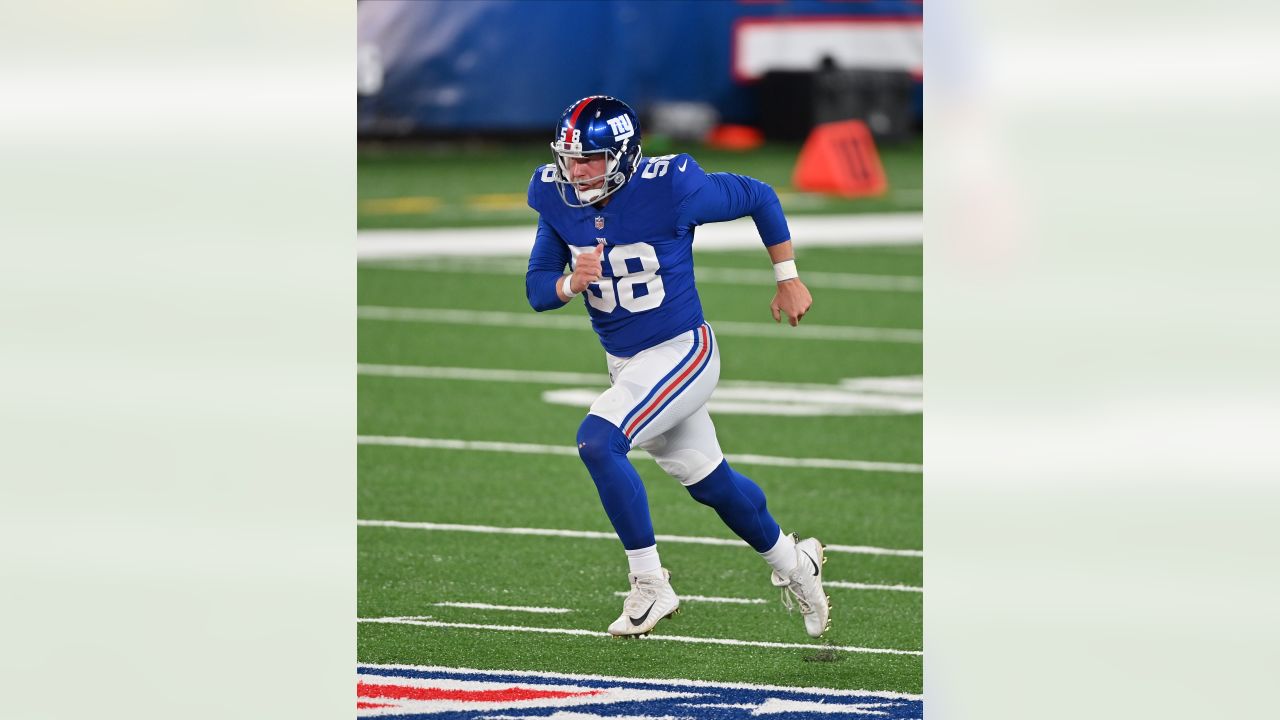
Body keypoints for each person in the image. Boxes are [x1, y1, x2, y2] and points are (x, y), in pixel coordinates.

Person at [524, 95, 829, 639]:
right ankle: (795, 562)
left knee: (598, 440)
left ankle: (649, 582)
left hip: (682, 350)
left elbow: (759, 195)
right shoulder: (555, 193)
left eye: (590, 158)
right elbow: (538, 290)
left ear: (623, 154)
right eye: (569, 157)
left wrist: (787, 276)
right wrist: (573, 282)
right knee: (710, 481)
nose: (576, 170)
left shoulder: (672, 184)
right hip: (626, 362)